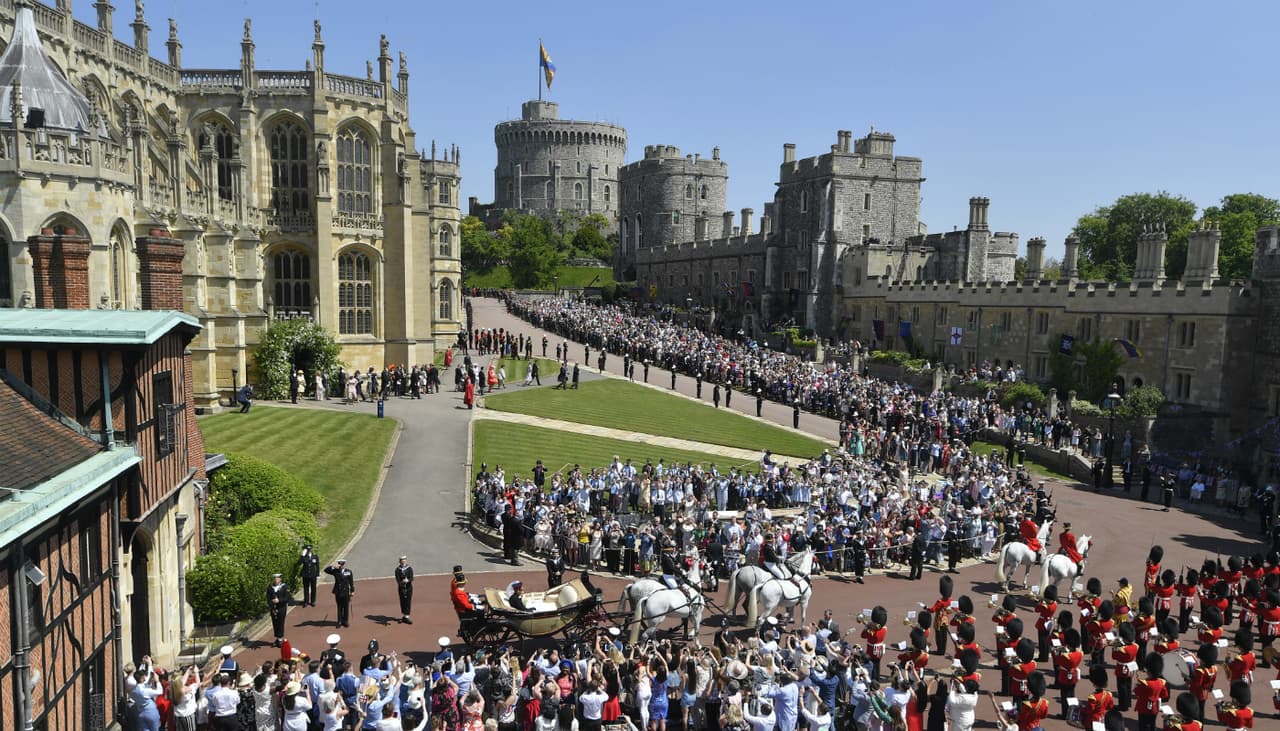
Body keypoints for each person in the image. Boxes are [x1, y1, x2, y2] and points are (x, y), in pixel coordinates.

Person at [324, 559, 355, 628]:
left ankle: (345, 621)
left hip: (346, 592)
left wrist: (352, 591)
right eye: (340, 564)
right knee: (339, 607)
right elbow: (326, 570)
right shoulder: (335, 571)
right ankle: (339, 621)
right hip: (338, 591)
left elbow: (351, 582)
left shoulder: (348, 571)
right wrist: (333, 566)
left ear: (344, 564)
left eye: (342, 564)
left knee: (346, 607)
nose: (341, 566)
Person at [267, 572, 289, 647]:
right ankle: (277, 638)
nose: (275, 580)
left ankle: (280, 639)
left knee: (280, 623)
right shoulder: (270, 587)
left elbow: (286, 598)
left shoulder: (284, 587)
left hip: (281, 608)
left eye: (277, 578)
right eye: (274, 578)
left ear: (280, 579)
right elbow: (268, 598)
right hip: (273, 608)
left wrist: (279, 600)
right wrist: (272, 605)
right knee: (275, 623)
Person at [395, 556, 414, 624]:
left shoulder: (409, 568)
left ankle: (406, 616)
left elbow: (412, 578)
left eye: (404, 560)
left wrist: (407, 580)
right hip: (401, 588)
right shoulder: (397, 570)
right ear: (400, 561)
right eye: (402, 560)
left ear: (406, 561)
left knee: (408, 601)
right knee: (402, 601)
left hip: (408, 588)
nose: (403, 562)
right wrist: (402, 583)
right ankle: (404, 616)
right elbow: (398, 580)